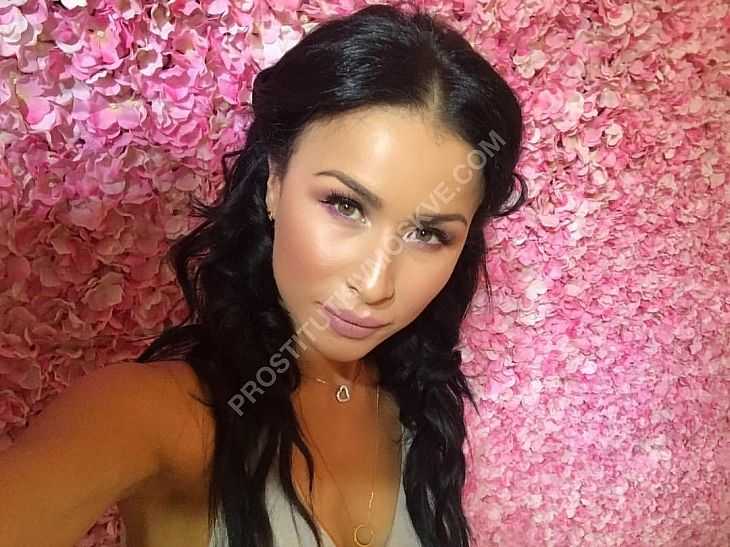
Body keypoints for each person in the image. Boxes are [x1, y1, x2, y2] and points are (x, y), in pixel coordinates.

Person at [0, 3, 527, 547]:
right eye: (345, 205)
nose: (375, 286)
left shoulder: (418, 415)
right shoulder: (154, 417)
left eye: (429, 234)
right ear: (274, 180)